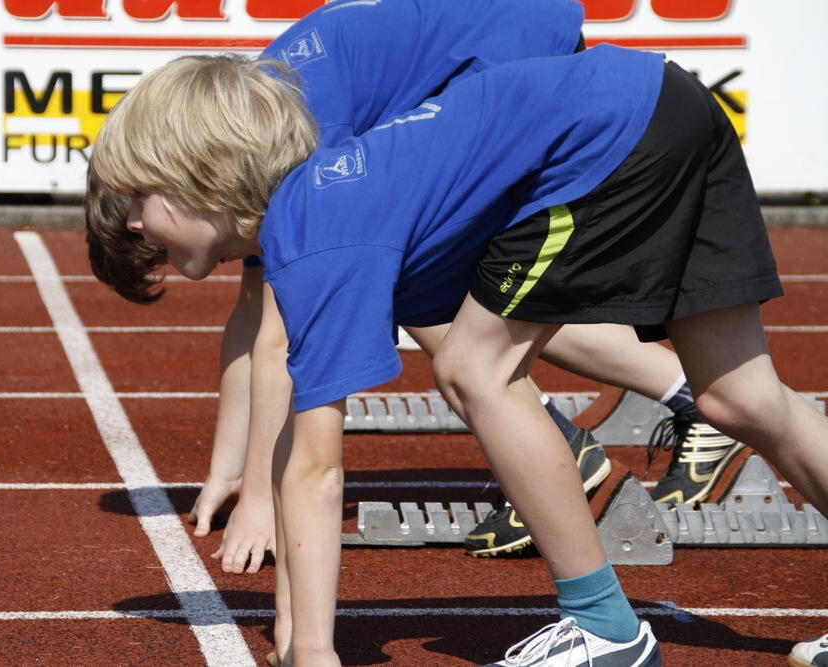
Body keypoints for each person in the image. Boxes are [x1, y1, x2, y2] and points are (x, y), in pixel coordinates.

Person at [87, 44, 828, 665]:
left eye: (138, 197)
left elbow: (315, 461)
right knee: (740, 397)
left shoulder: (315, 234)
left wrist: (313, 652)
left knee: (475, 368)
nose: (130, 220)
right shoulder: (331, 207)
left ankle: (605, 628)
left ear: (202, 183)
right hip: (662, 98)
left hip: (610, 134)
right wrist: (296, 630)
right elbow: (296, 449)